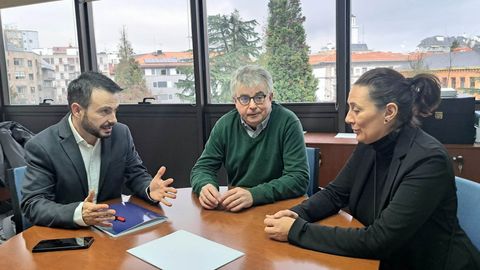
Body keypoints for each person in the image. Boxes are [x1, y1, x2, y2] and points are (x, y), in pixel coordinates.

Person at [264, 68, 480, 269]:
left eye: (356, 109)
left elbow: (380, 240)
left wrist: (297, 231)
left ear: (389, 112)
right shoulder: (370, 144)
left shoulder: (428, 160)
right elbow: (335, 194)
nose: (348, 118)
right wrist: (296, 214)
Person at [21, 71, 177, 229]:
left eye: (116, 110)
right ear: (77, 110)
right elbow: (33, 204)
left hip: (112, 227)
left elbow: (135, 174)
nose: (113, 120)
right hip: (68, 234)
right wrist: (78, 213)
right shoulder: (43, 146)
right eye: (105, 111)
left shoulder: (121, 134)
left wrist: (149, 188)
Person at [190, 65, 309, 212]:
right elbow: (202, 168)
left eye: (259, 97)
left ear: (270, 97)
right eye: (244, 99)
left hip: (280, 208)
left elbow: (298, 178)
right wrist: (205, 185)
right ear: (235, 101)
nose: (252, 106)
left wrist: (254, 195)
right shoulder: (225, 125)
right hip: (239, 209)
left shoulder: (288, 122)